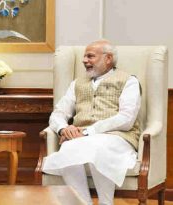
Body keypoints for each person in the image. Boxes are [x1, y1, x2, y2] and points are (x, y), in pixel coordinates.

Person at [42, 40, 141, 205]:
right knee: (68, 148)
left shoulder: (129, 81)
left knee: (98, 147)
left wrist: (88, 132)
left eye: (90, 56)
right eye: (84, 56)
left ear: (108, 58)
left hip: (117, 136)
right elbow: (58, 113)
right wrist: (63, 129)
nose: (84, 60)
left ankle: (105, 203)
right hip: (80, 138)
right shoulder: (77, 83)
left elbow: (126, 118)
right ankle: (82, 203)